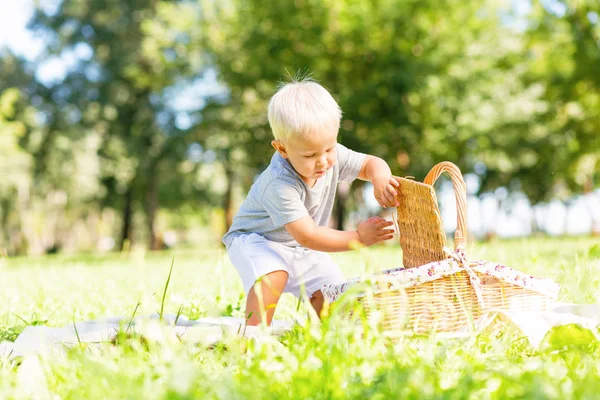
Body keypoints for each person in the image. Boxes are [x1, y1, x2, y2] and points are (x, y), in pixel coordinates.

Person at [222, 78, 400, 326]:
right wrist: (358, 238)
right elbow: (308, 234)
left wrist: (380, 177)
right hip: (257, 240)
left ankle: (314, 336)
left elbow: (371, 164)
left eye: (328, 149)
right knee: (273, 275)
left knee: (333, 291)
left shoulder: (332, 155)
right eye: (311, 155)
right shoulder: (279, 182)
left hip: (298, 246)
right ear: (282, 149)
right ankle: (253, 338)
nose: (324, 161)